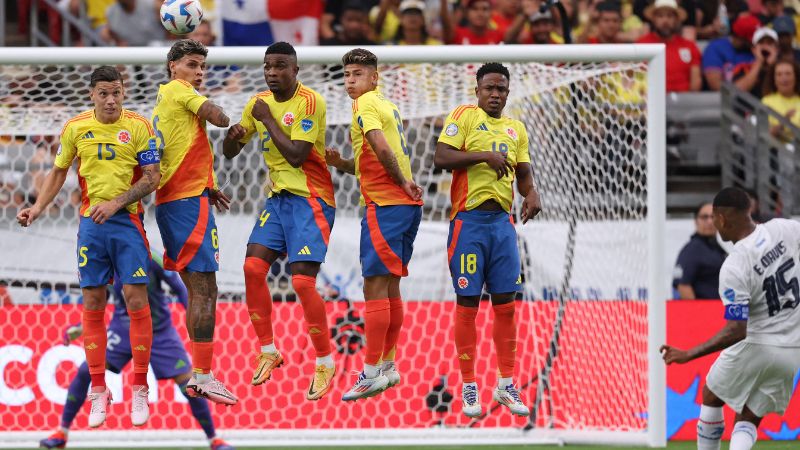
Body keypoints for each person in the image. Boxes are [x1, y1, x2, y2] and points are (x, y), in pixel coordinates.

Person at [16, 66, 159, 427]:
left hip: (127, 223)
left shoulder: (140, 126)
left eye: (116, 92)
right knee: (93, 302)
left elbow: (153, 178)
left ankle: (139, 386)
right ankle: (99, 390)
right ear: (92, 95)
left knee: (136, 299)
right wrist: (36, 208)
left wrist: (115, 203)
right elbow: (59, 172)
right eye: (103, 93)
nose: (111, 99)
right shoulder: (75, 127)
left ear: (124, 92)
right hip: (91, 227)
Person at [222, 42, 337, 400]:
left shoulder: (310, 102)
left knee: (302, 282)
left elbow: (298, 155)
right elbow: (229, 154)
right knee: (252, 268)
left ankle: (325, 360)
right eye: (267, 67)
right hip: (278, 199)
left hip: (311, 199)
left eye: (280, 66)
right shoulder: (257, 102)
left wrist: (266, 119)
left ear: (295, 70)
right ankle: (268, 350)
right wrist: (231, 139)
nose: (272, 73)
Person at [434, 62, 541, 418]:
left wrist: (531, 193)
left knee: (506, 304)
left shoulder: (516, 128)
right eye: (489, 88)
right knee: (468, 303)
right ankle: (468, 386)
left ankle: (506, 383)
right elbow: (441, 157)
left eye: (501, 89)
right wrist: (484, 155)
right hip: (469, 223)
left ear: (508, 92)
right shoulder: (463, 117)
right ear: (478, 89)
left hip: (502, 225)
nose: (495, 94)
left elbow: (523, 173)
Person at [38, 257, 235, 450]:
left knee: (189, 386)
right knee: (85, 371)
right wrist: (80, 327)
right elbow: (97, 301)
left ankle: (214, 440)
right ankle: (62, 433)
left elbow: (180, 289)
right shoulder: (107, 260)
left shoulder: (151, 257)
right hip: (123, 329)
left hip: (160, 332)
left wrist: (197, 318)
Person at [661, 187, 800, 450]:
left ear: (722, 219)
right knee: (749, 416)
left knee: (712, 396)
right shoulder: (784, 228)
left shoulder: (735, 265)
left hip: (758, 342)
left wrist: (689, 354)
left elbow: (737, 329)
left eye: (714, 218)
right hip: (793, 349)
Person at [325, 48, 423, 401]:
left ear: (373, 77)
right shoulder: (387, 105)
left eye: (357, 74)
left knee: (373, 287)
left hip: (386, 205)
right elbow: (372, 162)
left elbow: (383, 151)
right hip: (404, 207)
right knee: (390, 286)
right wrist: (342, 164)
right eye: (347, 75)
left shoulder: (365, 105)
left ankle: (369, 372)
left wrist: (401, 182)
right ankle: (388, 365)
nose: (350, 81)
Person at [150, 39, 236, 406]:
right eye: (192, 65)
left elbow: (185, 144)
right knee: (204, 289)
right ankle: (202, 375)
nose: (199, 73)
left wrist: (209, 185)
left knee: (200, 287)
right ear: (173, 66)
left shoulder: (168, 97)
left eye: (202, 66)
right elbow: (219, 117)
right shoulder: (177, 90)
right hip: (184, 204)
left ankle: (202, 373)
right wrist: (229, 118)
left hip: (183, 199)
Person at [636, 0, 702, 92]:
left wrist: (688, 103)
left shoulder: (690, 46)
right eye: (660, 16)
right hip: (650, 101)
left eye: (670, 16)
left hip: (683, 102)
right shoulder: (641, 45)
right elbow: (636, 79)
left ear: (677, 19)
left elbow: (696, 82)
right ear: (653, 19)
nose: (665, 20)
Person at [672, 203, 727, 300]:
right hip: (703, 312)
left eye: (713, 217)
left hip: (719, 310)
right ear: (696, 221)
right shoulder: (692, 249)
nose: (709, 221)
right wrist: (696, 313)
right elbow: (683, 286)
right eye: (704, 217)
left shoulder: (717, 248)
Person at [702, 13, 759, 91]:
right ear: (737, 37)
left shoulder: (758, 50)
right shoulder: (716, 48)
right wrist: (758, 66)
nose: (754, 44)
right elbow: (717, 87)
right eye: (749, 41)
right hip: (725, 101)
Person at [762, 59, 800, 141]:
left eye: (788, 74)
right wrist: (784, 122)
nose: (784, 78)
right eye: (779, 74)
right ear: (774, 79)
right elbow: (763, 134)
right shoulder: (767, 101)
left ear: (796, 77)